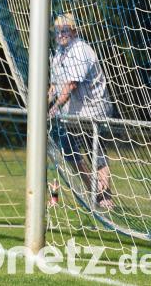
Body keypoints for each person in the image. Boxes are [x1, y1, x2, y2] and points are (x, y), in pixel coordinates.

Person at [48, 13, 114, 209]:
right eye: (58, 31)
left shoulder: (80, 50)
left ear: (74, 31)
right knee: (69, 151)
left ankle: (105, 197)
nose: (61, 34)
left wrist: (54, 108)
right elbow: (54, 87)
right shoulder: (58, 53)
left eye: (65, 30)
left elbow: (71, 85)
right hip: (73, 112)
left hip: (94, 109)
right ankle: (94, 191)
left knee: (95, 151)